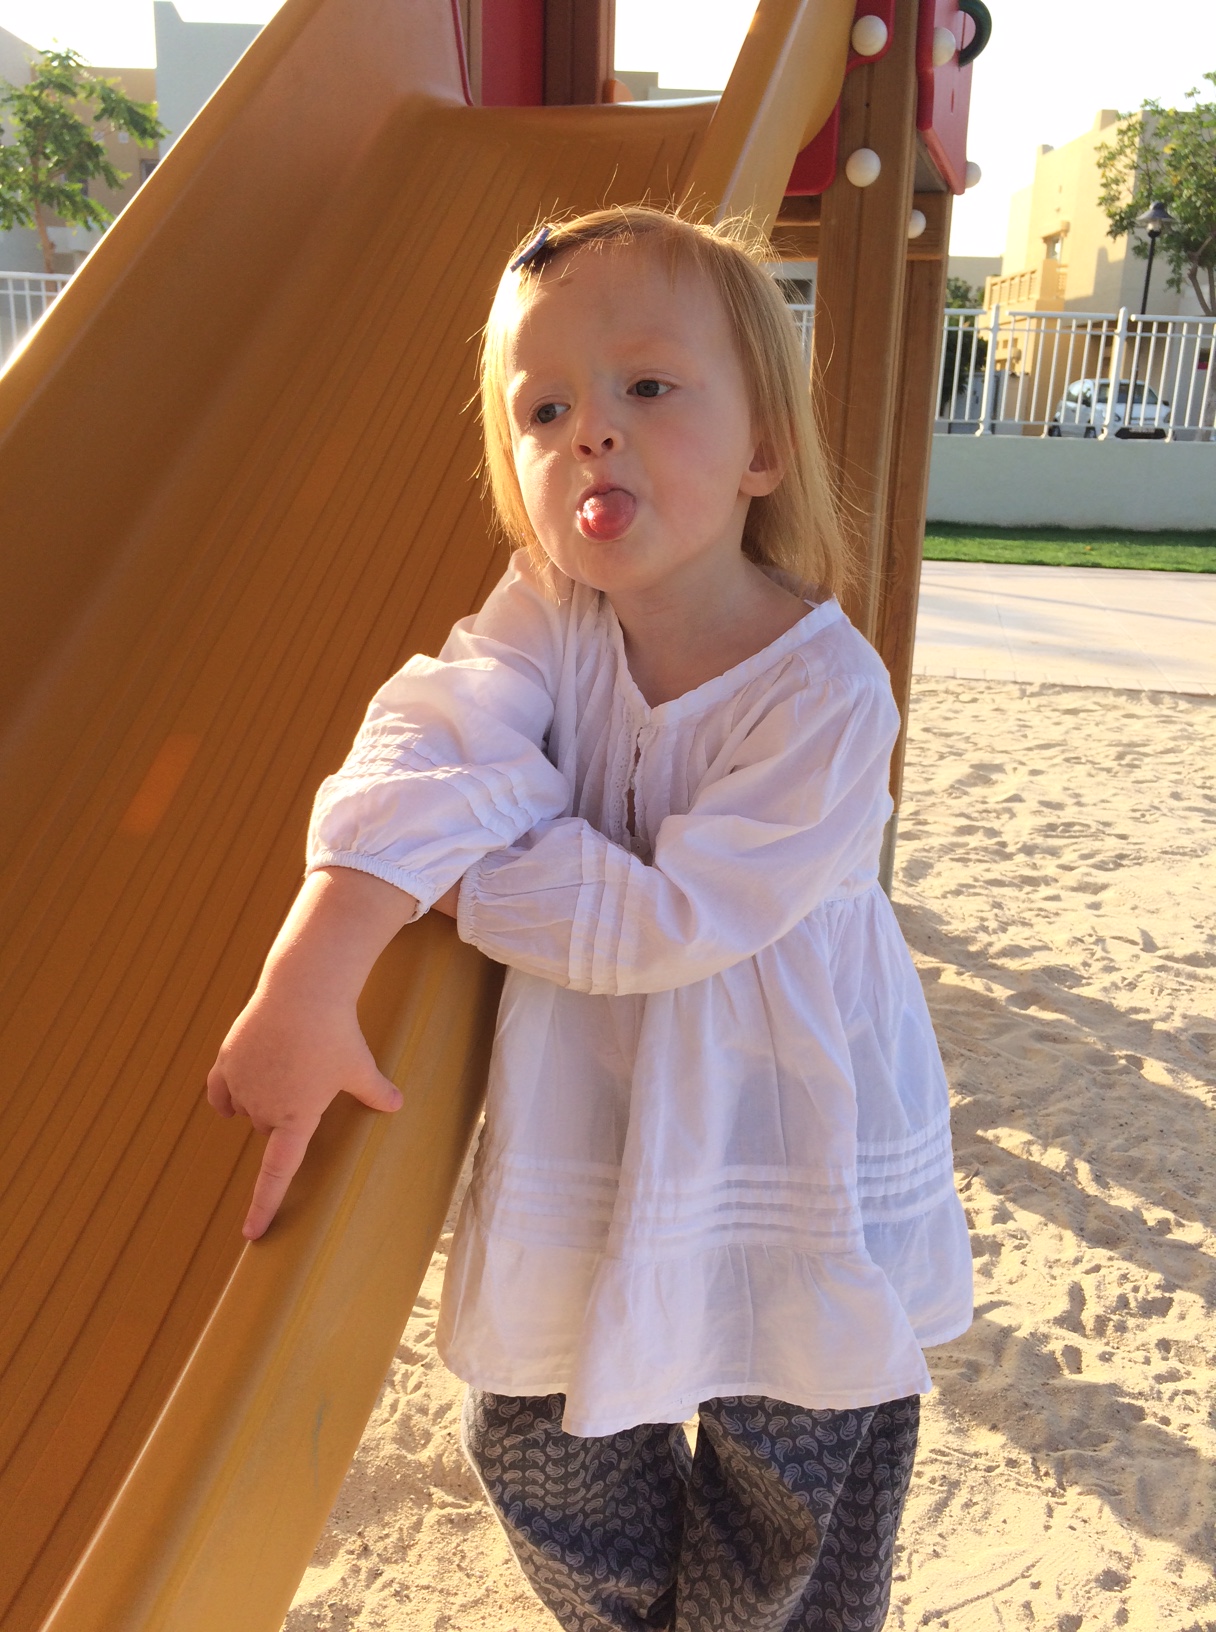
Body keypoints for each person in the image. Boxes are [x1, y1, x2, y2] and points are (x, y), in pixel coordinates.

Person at [207, 206, 972, 1632]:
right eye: (544, 411)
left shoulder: (826, 690)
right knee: (532, 1430)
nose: (591, 433)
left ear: (762, 450)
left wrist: (464, 873)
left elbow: (669, 920)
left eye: (647, 387)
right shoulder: (551, 615)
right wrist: (315, 961)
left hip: (787, 1140)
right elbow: (435, 740)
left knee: (794, 1482)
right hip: (596, 1128)